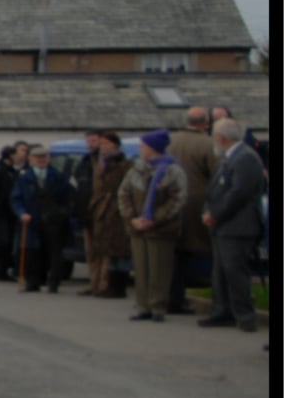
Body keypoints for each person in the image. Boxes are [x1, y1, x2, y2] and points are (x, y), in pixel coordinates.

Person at [200, 117, 263, 333]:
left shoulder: (246, 158)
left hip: (238, 225)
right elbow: (216, 189)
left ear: (221, 138)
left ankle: (245, 316)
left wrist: (216, 214)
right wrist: (209, 212)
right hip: (222, 225)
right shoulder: (228, 157)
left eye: (214, 136)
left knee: (235, 271)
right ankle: (222, 312)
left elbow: (239, 193)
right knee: (220, 272)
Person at [119, 129, 187, 323]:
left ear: (153, 148)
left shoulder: (173, 170)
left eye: (143, 146)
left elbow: (178, 199)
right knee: (141, 269)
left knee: (159, 269)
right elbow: (123, 194)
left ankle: (158, 306)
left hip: (161, 230)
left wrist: (153, 219)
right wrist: (132, 217)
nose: (140, 149)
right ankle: (143, 306)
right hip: (137, 228)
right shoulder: (136, 168)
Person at [163, 106, 220, 316]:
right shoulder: (209, 144)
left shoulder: (170, 141)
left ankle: (172, 297)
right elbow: (217, 176)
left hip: (170, 203)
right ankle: (214, 300)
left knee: (174, 255)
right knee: (202, 253)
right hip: (197, 204)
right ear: (205, 124)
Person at [10, 144, 74, 292]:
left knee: (54, 253)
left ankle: (53, 283)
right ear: (31, 159)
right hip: (32, 219)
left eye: (43, 157)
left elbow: (69, 197)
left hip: (53, 221)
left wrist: (63, 212)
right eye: (37, 157)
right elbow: (16, 198)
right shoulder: (24, 177)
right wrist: (21, 213)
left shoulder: (58, 176)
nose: (40, 160)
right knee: (33, 252)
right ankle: (33, 282)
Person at [80, 133, 131, 299]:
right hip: (97, 209)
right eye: (101, 144)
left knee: (116, 249)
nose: (103, 147)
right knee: (99, 248)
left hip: (115, 209)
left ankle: (112, 285)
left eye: (106, 144)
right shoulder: (94, 162)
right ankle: (97, 284)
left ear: (115, 145)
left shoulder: (123, 164)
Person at [0, 142, 28, 281]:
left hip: (11, 212)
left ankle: (2, 270)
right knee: (0, 242)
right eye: (16, 154)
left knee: (8, 243)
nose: (19, 156)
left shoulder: (14, 171)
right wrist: (2, 202)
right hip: (1, 212)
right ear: (10, 156)